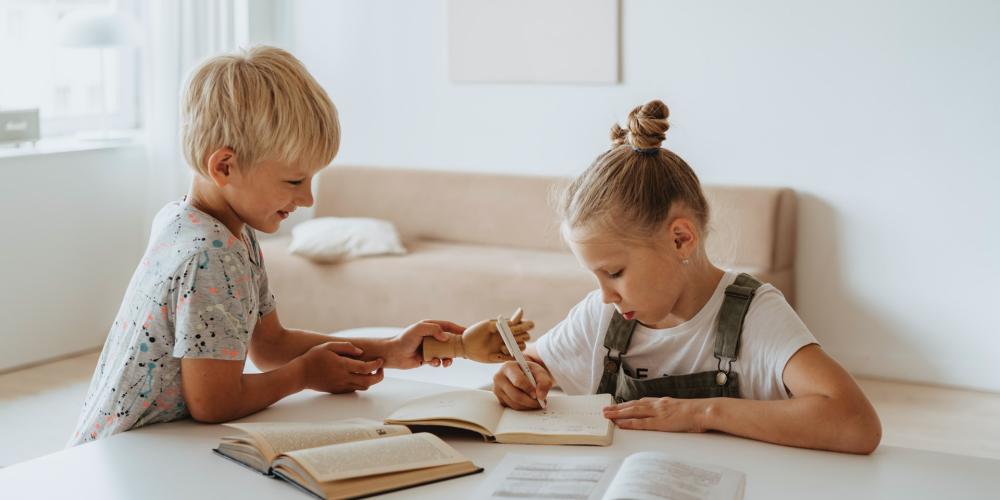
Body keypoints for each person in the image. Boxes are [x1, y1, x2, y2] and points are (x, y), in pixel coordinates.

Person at [68, 46, 518, 445]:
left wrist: (390, 350)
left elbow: (270, 344)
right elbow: (213, 402)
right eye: (294, 180)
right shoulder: (211, 255)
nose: (308, 199)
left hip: (139, 444)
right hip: (131, 454)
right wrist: (303, 376)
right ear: (225, 165)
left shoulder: (205, 225)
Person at [492, 100, 882, 454]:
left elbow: (857, 424)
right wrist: (521, 377)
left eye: (614, 272)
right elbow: (535, 363)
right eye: (595, 276)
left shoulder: (754, 316)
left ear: (681, 240)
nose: (605, 294)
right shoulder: (603, 315)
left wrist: (704, 413)